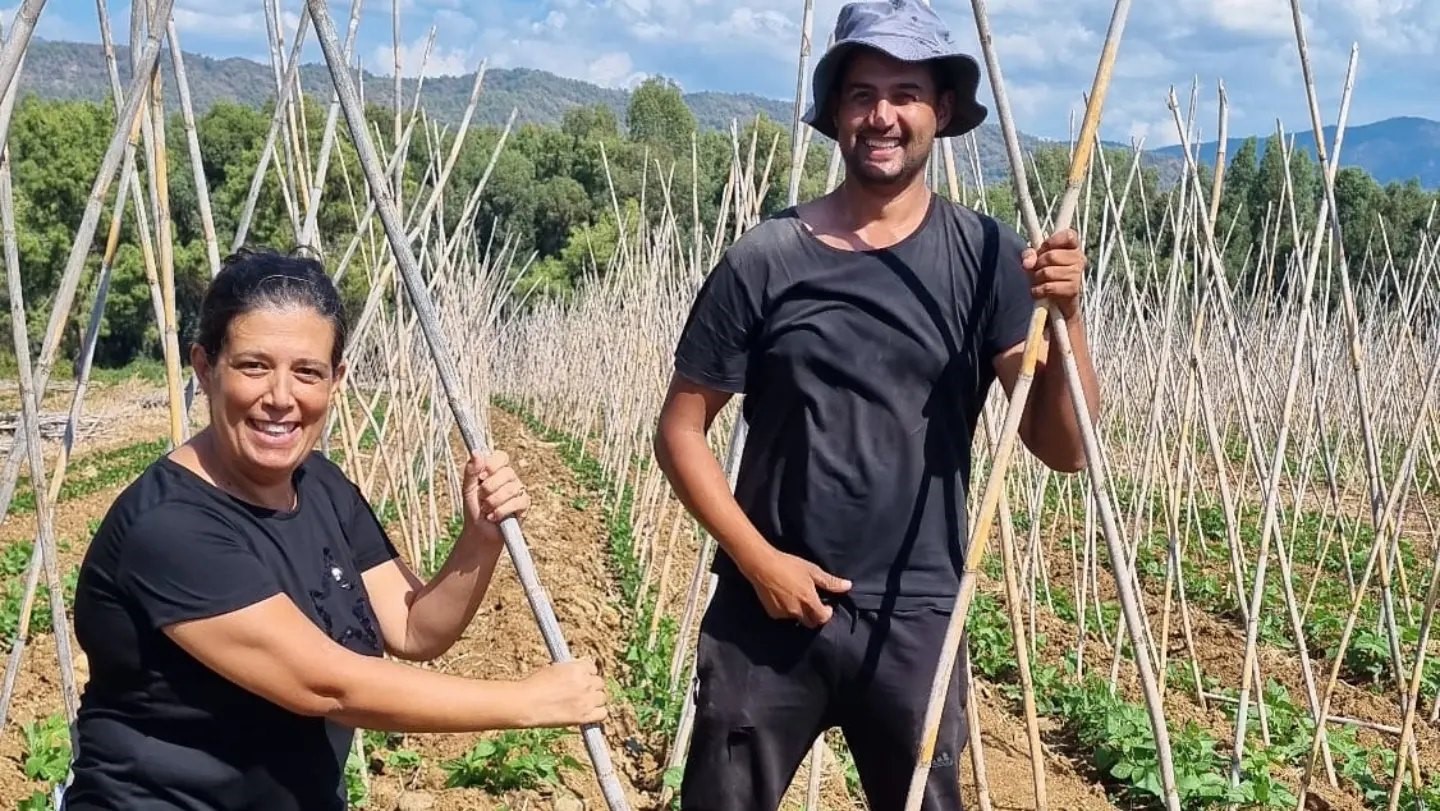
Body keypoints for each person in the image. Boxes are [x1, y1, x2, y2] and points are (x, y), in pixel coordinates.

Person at [652, 1, 1101, 809]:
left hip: (917, 612)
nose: (882, 114)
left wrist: (1065, 317)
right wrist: (760, 562)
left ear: (943, 111)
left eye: (904, 92)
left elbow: (1063, 448)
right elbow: (681, 431)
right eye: (861, 93)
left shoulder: (987, 256)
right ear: (835, 113)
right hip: (766, 613)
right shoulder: (766, 257)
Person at [63, 249, 608, 811]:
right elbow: (324, 684)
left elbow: (415, 628)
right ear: (205, 368)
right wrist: (528, 702)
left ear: (337, 379)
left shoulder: (321, 484)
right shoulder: (170, 526)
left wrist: (481, 538)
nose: (281, 397)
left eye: (307, 372)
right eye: (254, 366)